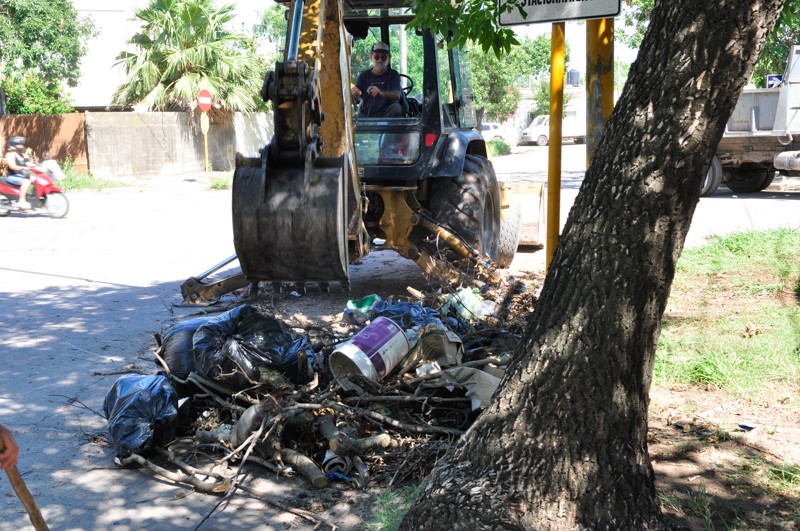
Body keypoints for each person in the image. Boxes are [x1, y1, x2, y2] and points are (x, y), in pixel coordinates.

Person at [351, 42, 403, 118]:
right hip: (367, 114)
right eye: (376, 57)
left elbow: (397, 95)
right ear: (371, 57)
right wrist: (355, 93)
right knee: (353, 121)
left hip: (387, 116)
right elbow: (357, 93)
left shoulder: (393, 74)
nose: (380, 60)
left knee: (396, 108)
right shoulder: (364, 75)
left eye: (383, 57)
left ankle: (388, 129)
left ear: (389, 58)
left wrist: (380, 92)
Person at [4, 136, 33, 210]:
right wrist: (23, 167)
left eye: (22, 144)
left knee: (36, 179)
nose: (22, 146)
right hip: (12, 176)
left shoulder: (23, 155)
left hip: (22, 175)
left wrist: (37, 166)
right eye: (19, 144)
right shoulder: (10, 155)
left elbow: (29, 164)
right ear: (13, 145)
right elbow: (12, 166)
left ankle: (34, 199)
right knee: (26, 181)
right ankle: (21, 201)